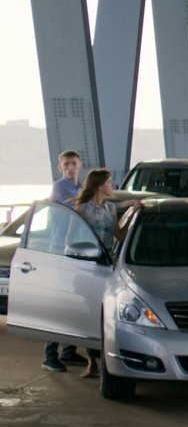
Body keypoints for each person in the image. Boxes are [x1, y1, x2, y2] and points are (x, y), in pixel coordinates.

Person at [75, 168, 142, 378]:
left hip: (107, 264)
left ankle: (101, 360)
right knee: (89, 312)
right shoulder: (82, 209)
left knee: (103, 311)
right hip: (88, 264)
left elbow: (119, 235)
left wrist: (132, 215)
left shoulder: (111, 208)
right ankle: (91, 361)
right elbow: (74, 237)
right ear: (98, 186)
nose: (112, 185)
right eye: (109, 182)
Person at [43, 150, 85, 372]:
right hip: (60, 253)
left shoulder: (81, 188)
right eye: (66, 164)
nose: (70, 167)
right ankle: (49, 355)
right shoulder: (60, 188)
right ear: (60, 167)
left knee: (73, 304)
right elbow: (78, 205)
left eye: (73, 163)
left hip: (76, 252)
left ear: (80, 165)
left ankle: (68, 351)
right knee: (58, 306)